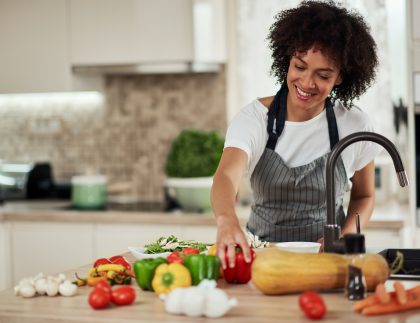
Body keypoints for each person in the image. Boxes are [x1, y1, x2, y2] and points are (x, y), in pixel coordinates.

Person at [211, 0, 383, 269]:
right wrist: (226, 220)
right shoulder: (254, 119)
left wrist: (346, 237)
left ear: (340, 77)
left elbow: (364, 196)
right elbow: (225, 177)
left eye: (323, 75)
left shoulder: (355, 124)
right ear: (287, 60)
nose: (306, 83)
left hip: (327, 264)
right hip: (262, 262)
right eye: (299, 67)